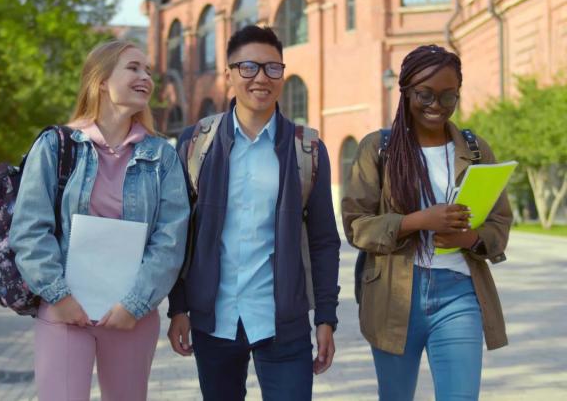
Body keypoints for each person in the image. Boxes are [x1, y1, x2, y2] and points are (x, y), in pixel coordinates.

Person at [166, 25, 341, 401]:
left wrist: (326, 316)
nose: (261, 77)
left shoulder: (306, 149)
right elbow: (178, 233)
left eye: (272, 68)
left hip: (284, 324)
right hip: (214, 322)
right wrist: (178, 307)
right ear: (229, 74)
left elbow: (325, 240)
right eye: (248, 67)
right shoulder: (197, 143)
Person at [9, 40, 189, 401]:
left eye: (148, 71)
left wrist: (134, 305)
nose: (146, 77)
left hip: (130, 317)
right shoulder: (55, 146)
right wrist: (59, 297)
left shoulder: (162, 156)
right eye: (133, 68)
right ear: (102, 80)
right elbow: (29, 230)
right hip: (63, 311)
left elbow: (170, 240)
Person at [341, 44, 513, 401]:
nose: (437, 105)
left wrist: (470, 238)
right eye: (425, 94)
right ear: (405, 91)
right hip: (394, 294)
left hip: (459, 293)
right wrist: (417, 221)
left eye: (449, 96)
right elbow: (356, 225)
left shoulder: (475, 149)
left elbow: (500, 222)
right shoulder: (379, 149)